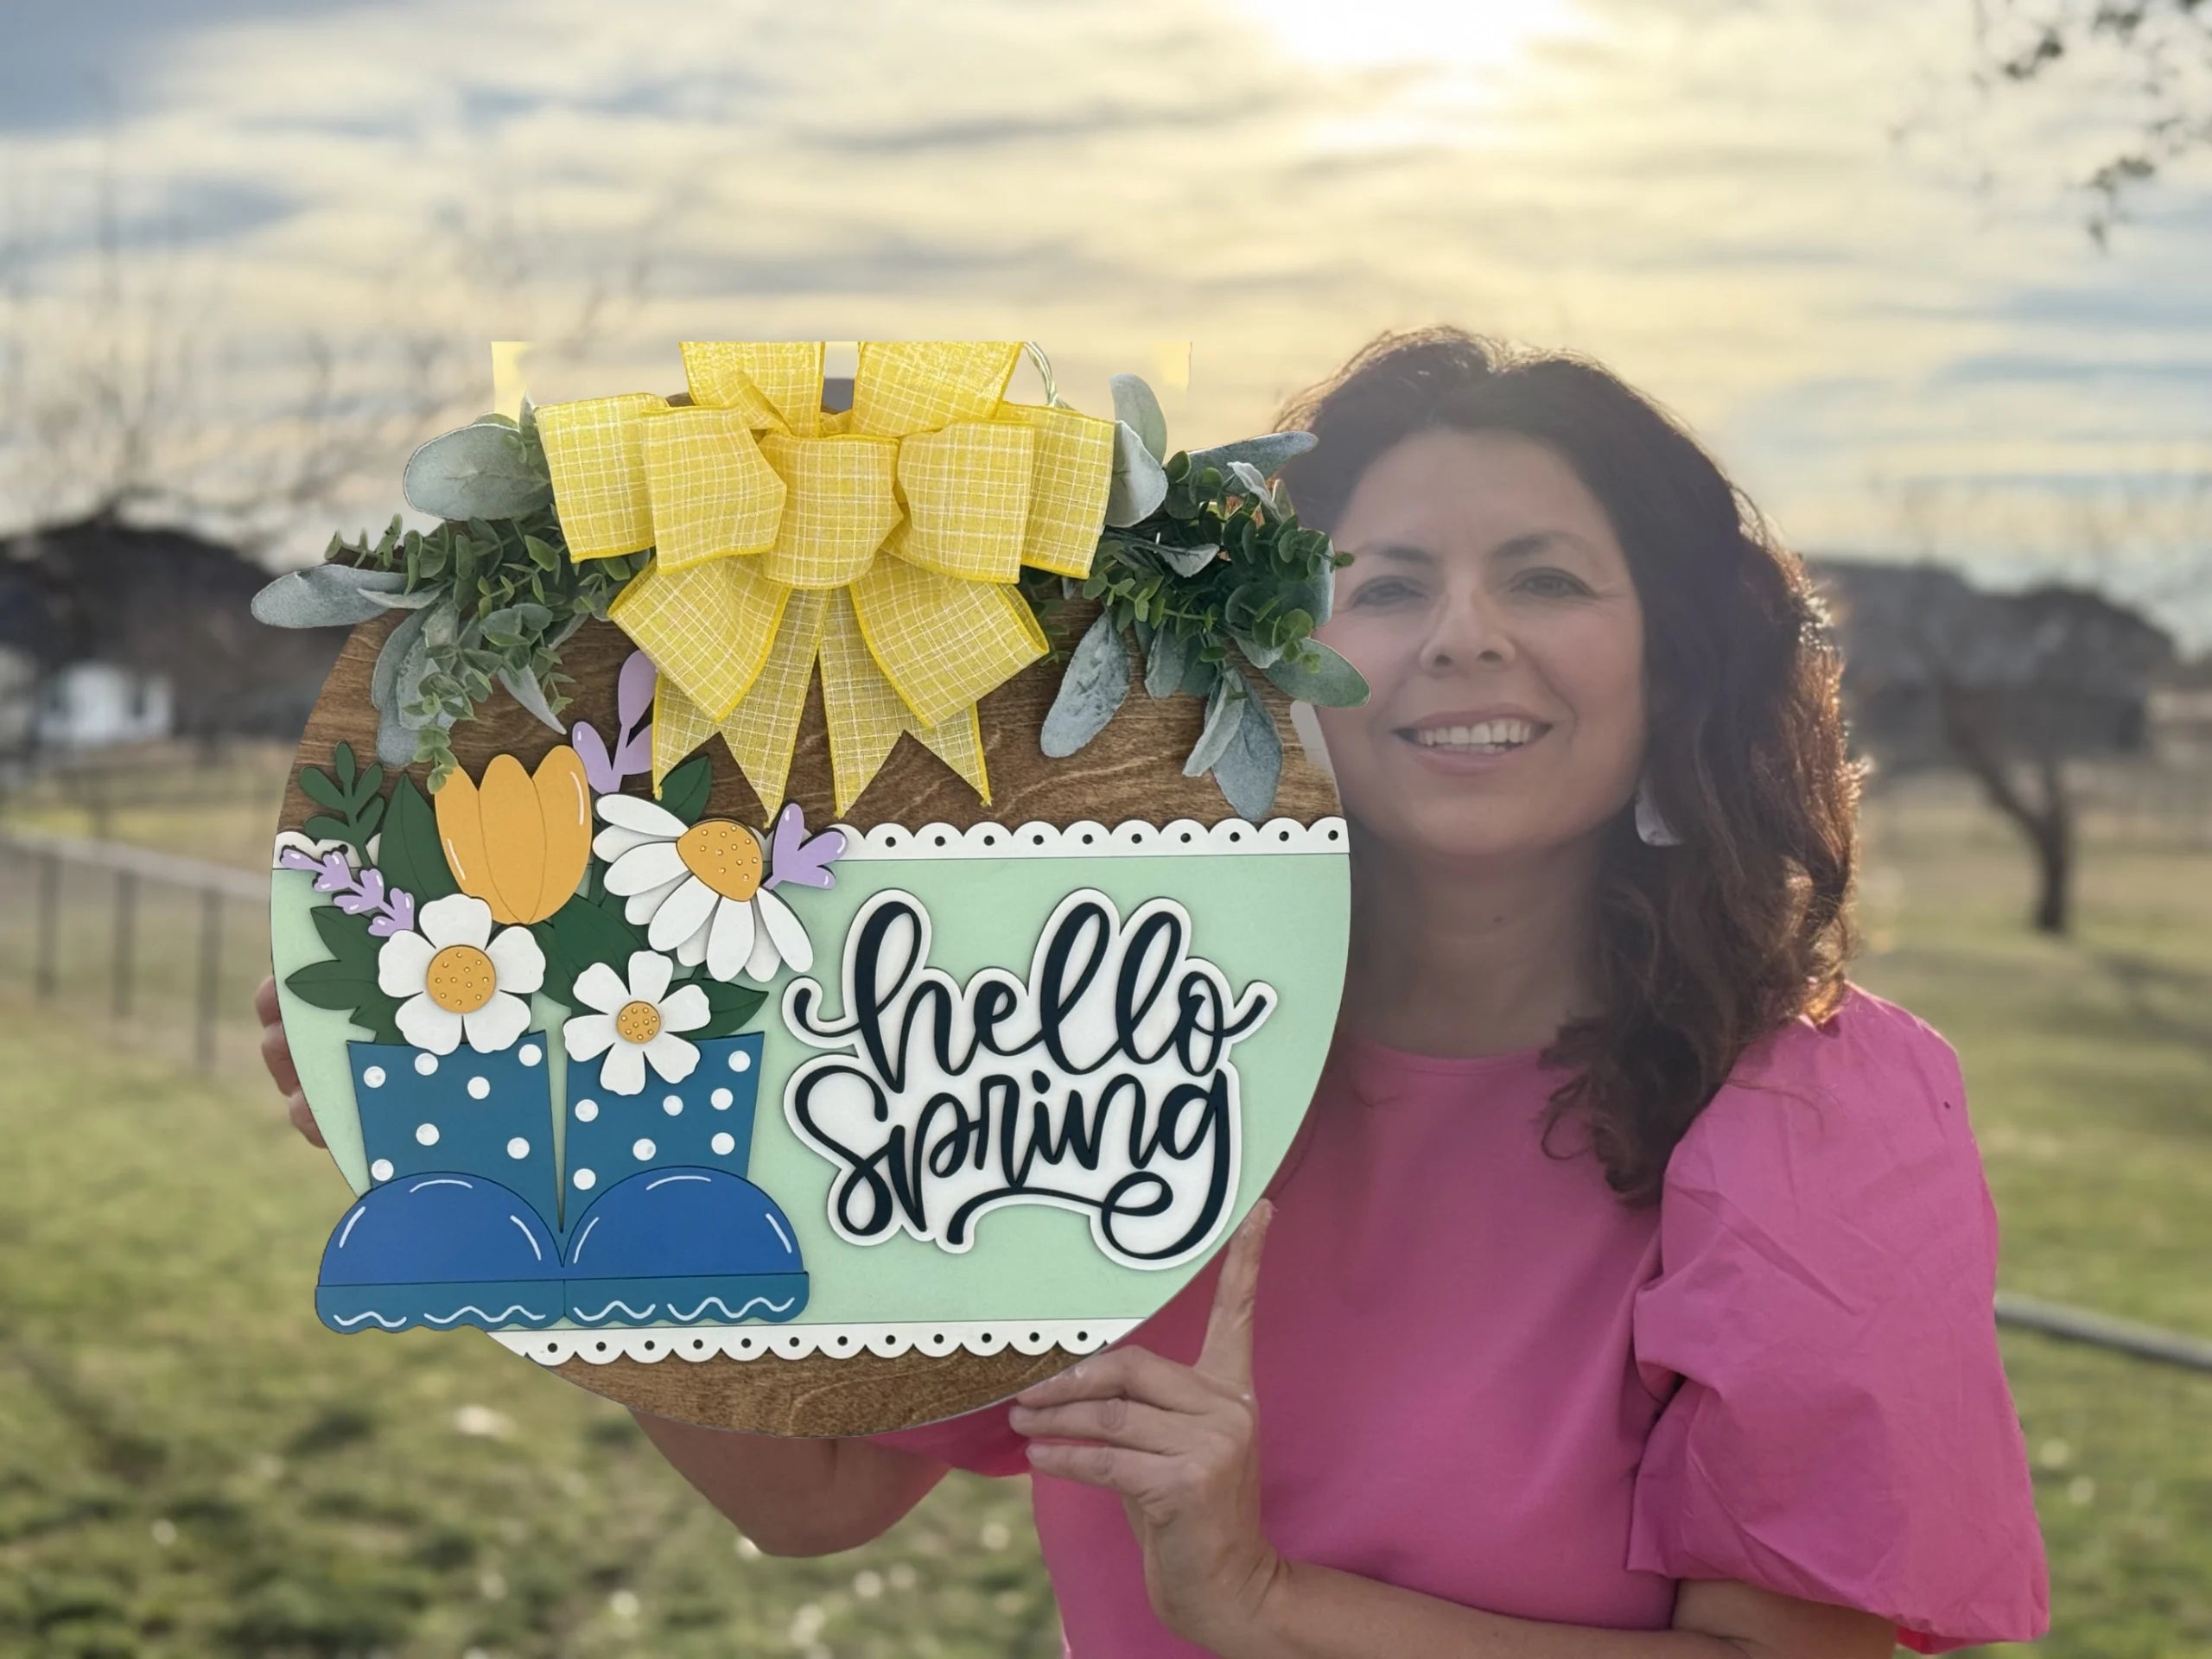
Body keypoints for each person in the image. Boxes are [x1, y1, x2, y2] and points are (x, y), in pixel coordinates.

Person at [256, 327, 2051, 1657]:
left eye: (1548, 580)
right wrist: (522, 1197)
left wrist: (1265, 1602)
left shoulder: (1813, 1113)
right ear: (1270, 661)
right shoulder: (1100, 1034)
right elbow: (814, 1491)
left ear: (1676, 667)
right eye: (1384, 581)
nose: (1460, 636)